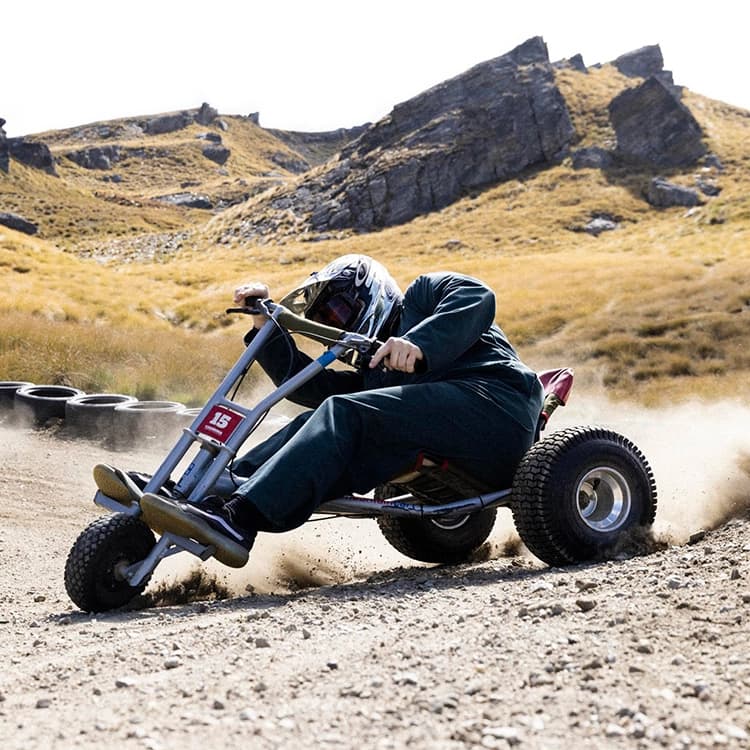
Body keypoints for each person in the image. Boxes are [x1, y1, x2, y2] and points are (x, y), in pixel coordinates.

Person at [157, 254, 544, 553]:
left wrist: (419, 344)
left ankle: (241, 518)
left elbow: (477, 298)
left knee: (344, 411)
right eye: (328, 320)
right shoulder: (377, 369)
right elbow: (312, 390)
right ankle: (211, 496)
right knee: (316, 421)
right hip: (451, 439)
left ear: (369, 291)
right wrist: (265, 328)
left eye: (339, 311)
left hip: (497, 408)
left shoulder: (425, 295)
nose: (337, 324)